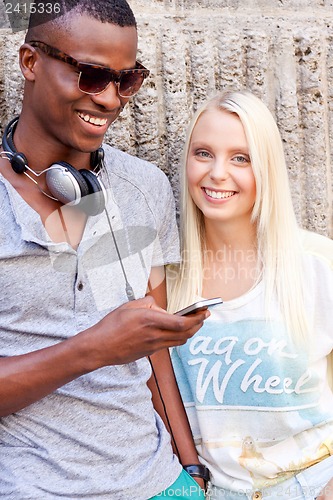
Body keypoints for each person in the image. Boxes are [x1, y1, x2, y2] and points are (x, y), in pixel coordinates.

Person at [0, 1, 210, 498]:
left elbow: (152, 349)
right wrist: (91, 349)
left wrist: (191, 470)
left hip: (161, 482)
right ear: (30, 62)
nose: (111, 100)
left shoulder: (144, 187)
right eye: (92, 76)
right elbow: (109, 344)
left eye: (127, 79)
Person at [167, 89, 333, 500]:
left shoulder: (316, 264)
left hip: (315, 482)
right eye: (203, 153)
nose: (218, 173)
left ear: (266, 169)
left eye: (240, 158)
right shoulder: (165, 279)